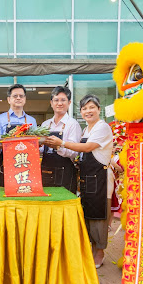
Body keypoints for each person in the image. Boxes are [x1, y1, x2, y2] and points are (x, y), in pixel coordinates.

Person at [46, 94, 112, 268]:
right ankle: (92, 248)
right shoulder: (86, 129)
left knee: (99, 217)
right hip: (87, 177)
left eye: (92, 108)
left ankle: (100, 251)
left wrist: (62, 143)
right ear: (81, 112)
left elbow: (88, 147)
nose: (88, 111)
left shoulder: (102, 127)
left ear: (99, 109)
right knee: (89, 215)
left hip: (100, 178)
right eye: (84, 109)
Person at [39, 86, 82, 194]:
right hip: (45, 171)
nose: (59, 103)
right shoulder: (45, 124)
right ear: (51, 102)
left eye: (63, 100)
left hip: (65, 172)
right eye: (56, 100)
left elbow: (74, 153)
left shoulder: (73, 124)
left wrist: (58, 146)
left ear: (69, 102)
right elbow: (41, 151)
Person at [0, 84, 37, 186]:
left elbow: (35, 145)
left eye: (21, 96)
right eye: (15, 96)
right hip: (5, 162)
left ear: (25, 99)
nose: (18, 98)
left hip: (27, 161)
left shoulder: (31, 121)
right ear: (9, 99)